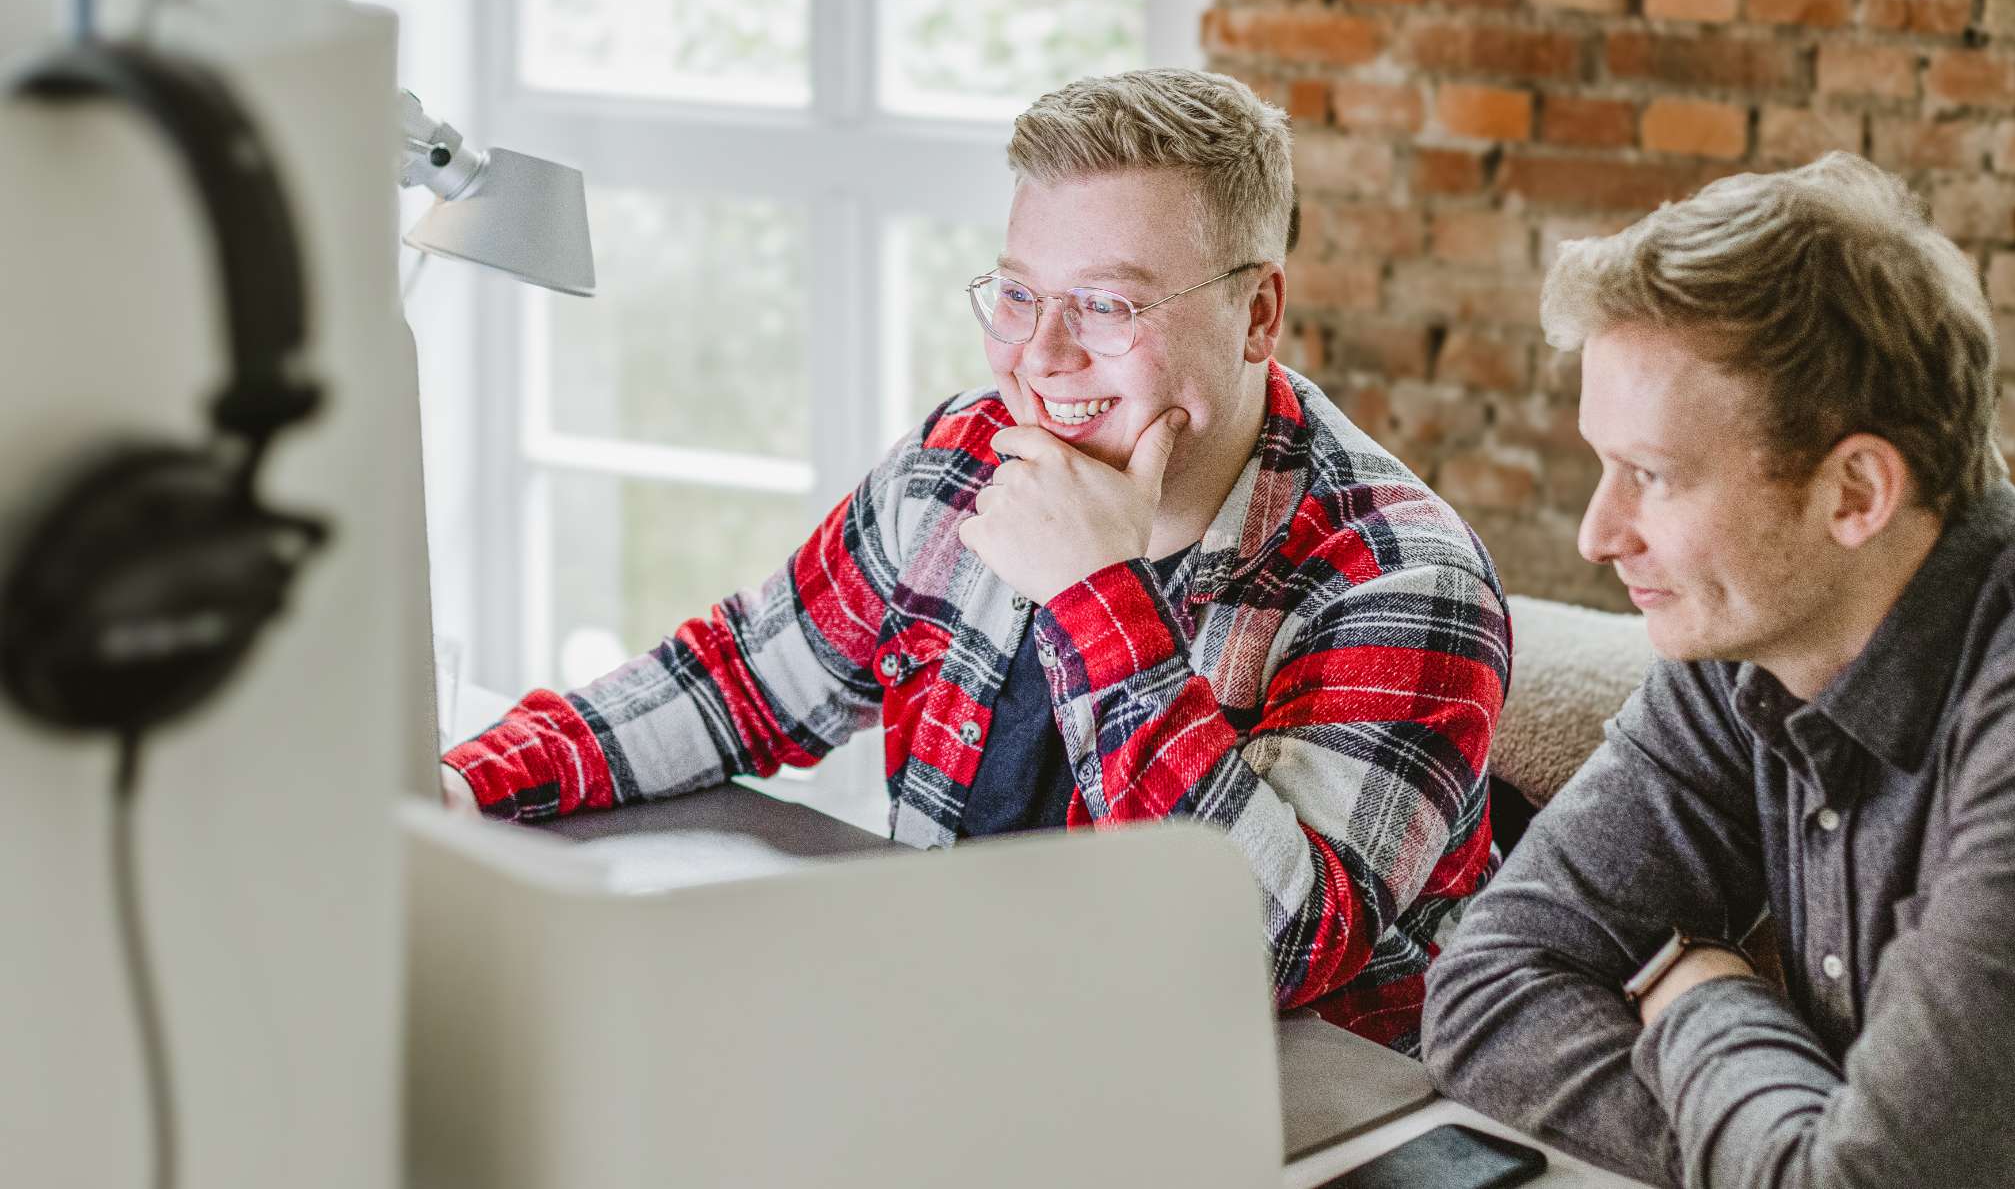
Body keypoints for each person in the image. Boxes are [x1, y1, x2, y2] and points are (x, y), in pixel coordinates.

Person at [439, 68, 1511, 1052]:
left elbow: (1261, 951)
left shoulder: (1403, 580)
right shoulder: (958, 465)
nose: (1040, 356)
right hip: (980, 1044)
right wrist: (461, 782)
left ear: (1257, 313)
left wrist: (1095, 594)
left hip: (1290, 1110)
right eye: (1016, 293)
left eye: (1106, 304)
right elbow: (739, 680)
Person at [1421, 152, 2015, 1185]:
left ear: (1856, 492)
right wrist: (1781, 1153)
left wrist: (1700, 1000)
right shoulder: (1753, 641)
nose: (1601, 533)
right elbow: (1484, 989)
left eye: (1651, 476)